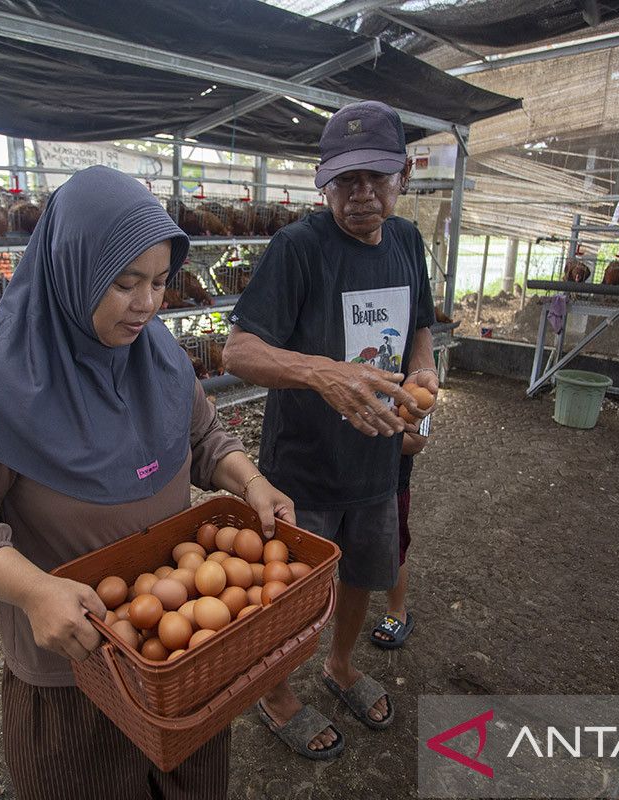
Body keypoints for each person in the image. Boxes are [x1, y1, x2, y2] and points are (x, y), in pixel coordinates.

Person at [0, 166, 294, 799]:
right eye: (124, 283)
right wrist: (33, 592)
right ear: (69, 270)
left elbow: (201, 439)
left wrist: (248, 479)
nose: (147, 304)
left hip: (182, 653)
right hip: (75, 670)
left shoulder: (157, 354)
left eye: (161, 282)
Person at [224, 100, 439, 760]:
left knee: (364, 574)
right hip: (305, 467)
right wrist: (322, 372)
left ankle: (340, 664)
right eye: (346, 180)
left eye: (376, 177)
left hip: (378, 459)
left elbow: (422, 327)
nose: (363, 195)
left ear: (404, 174)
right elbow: (237, 352)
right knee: (289, 593)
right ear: (323, 182)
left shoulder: (406, 242)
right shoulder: (298, 249)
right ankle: (275, 688)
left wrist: (425, 380)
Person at [370, 422, 428, 649]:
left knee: (393, 546)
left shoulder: (419, 388)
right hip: (347, 479)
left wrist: (361, 436)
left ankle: (397, 609)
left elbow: (416, 442)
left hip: (391, 483)